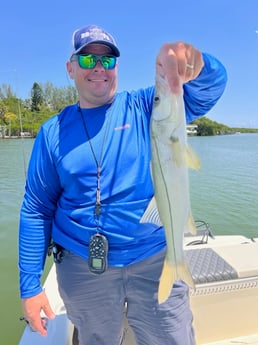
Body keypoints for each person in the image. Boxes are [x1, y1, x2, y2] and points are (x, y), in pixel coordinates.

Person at [19, 24, 227, 345]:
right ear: (70, 68)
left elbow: (208, 89)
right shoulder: (52, 132)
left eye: (108, 59)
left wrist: (196, 63)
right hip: (82, 265)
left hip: (155, 257)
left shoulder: (147, 106)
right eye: (87, 59)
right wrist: (30, 285)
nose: (99, 67)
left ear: (118, 66)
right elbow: (36, 209)